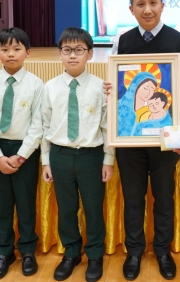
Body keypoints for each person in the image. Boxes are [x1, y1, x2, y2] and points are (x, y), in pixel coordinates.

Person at [104, 0, 180, 280]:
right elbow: (117, 89)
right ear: (131, 9)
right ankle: (134, 251)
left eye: (153, 3)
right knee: (133, 198)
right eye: (141, 4)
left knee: (164, 197)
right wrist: (110, 91)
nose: (147, 9)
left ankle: (162, 249)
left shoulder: (179, 41)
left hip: (167, 137)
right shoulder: (121, 41)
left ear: (163, 5)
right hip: (128, 139)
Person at [41, 27, 114, 282]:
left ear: (90, 54)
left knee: (93, 208)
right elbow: (44, 126)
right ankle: (71, 253)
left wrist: (108, 159)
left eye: (79, 50)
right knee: (67, 208)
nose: (73, 55)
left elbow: (107, 126)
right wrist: (46, 161)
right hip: (60, 155)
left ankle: (94, 255)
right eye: (67, 50)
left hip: (91, 157)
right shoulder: (49, 88)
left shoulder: (101, 88)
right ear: (59, 54)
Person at [0, 27, 43, 280]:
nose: (11, 54)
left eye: (17, 49)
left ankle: (27, 250)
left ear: (28, 52)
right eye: (5, 49)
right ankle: (4, 252)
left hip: (25, 151)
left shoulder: (36, 85)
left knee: (26, 204)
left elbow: (37, 125)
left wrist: (22, 155)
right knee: (2, 205)